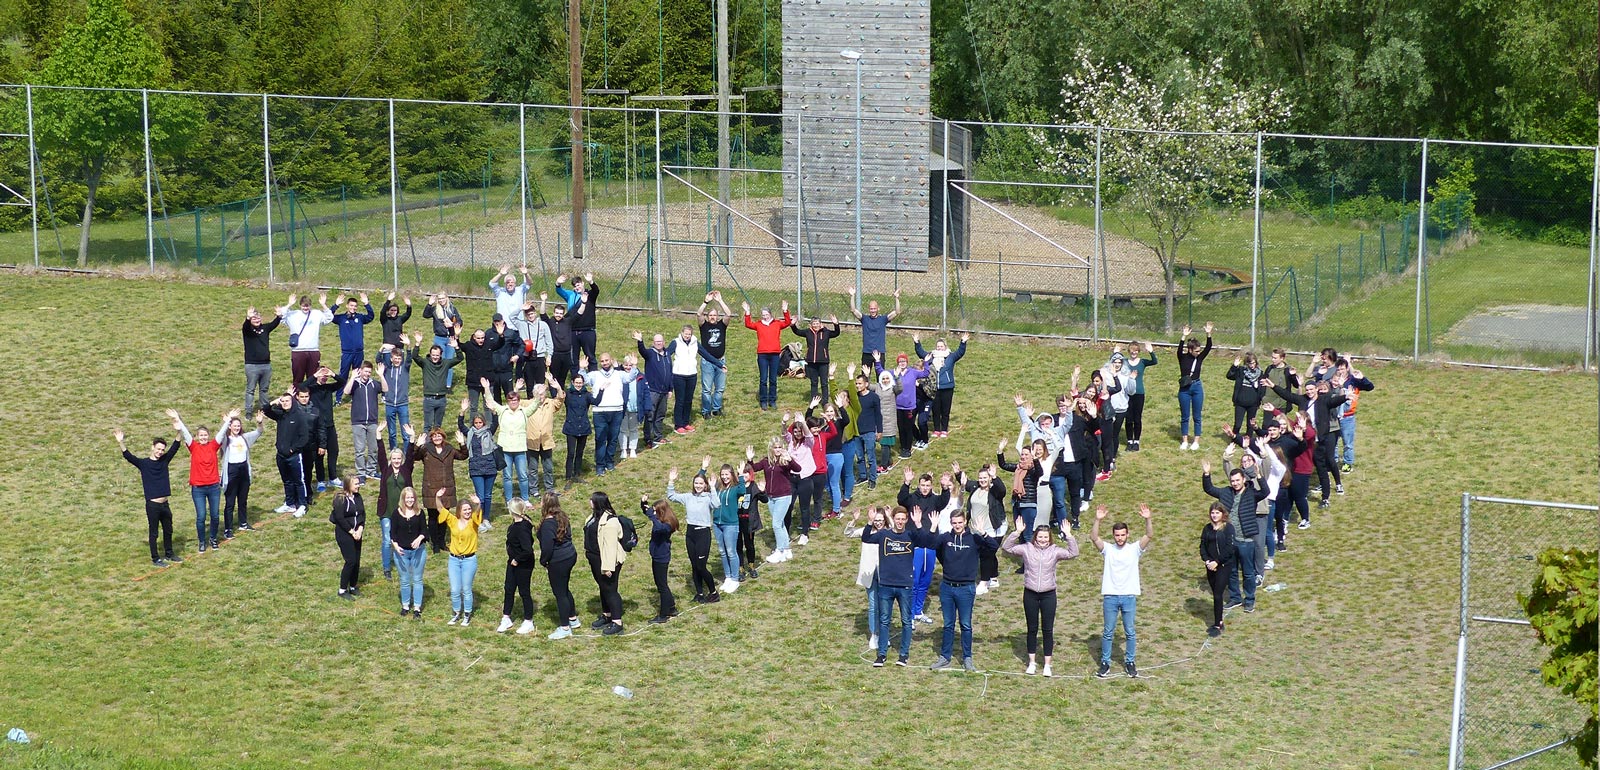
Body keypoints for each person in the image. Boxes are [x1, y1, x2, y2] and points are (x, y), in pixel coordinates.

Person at [907, 506, 1000, 673]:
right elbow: (928, 543)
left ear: (965, 522)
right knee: (948, 625)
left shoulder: (974, 539)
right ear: (950, 523)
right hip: (948, 588)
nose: (957, 525)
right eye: (954, 523)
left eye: (960, 522)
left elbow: (993, 547)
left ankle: (967, 658)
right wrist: (926, 525)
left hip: (966, 589)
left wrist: (982, 532)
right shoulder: (945, 538)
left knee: (965, 625)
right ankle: (945, 657)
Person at [1000, 518, 1080, 677]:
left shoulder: (1055, 551)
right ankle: (1032, 662)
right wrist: (1017, 532)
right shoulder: (1027, 549)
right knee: (1032, 629)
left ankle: (1047, 665)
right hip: (1030, 593)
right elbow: (1007, 547)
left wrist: (1069, 535)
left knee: (1047, 630)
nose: (1042, 540)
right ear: (1035, 537)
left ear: (1049, 538)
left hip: (1048, 594)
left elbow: (1073, 553)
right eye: (1040, 537)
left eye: (1045, 537)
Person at [1089, 503, 1153, 678]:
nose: (1120, 538)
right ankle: (1105, 662)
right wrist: (1097, 520)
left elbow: (1149, 535)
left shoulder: (1134, 549)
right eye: (1117, 535)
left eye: (1122, 535)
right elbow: (1094, 538)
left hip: (1129, 597)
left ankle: (1130, 662)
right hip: (1110, 596)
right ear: (1113, 536)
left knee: (1130, 632)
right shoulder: (1108, 550)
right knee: (1108, 632)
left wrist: (1148, 519)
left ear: (1127, 534)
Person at [115, 427, 185, 566]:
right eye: (158, 449)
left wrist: (179, 430)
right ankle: (155, 558)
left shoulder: (164, 461)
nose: (160, 452)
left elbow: (175, 446)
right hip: (153, 505)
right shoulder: (144, 464)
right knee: (154, 532)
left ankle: (169, 553)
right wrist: (121, 442)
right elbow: (128, 456)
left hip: (165, 504)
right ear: (152, 447)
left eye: (162, 450)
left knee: (168, 530)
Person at [1201, 459, 1264, 613]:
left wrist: (1259, 476)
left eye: (1237, 480)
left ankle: (1249, 600)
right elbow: (1209, 488)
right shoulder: (1226, 492)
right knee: (1232, 571)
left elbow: (1265, 492)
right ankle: (1235, 597)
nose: (1235, 483)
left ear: (1243, 479)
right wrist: (1206, 473)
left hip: (1246, 540)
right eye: (1232, 481)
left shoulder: (1251, 493)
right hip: (1229, 541)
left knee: (1248, 572)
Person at [861, 506, 916, 667]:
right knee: (884, 621)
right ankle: (882, 654)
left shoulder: (911, 535)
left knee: (906, 621)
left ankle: (903, 655)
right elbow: (866, 538)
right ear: (892, 518)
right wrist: (870, 522)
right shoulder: (884, 534)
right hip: (885, 584)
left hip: (904, 585)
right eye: (897, 518)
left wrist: (919, 524)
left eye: (902, 519)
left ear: (906, 520)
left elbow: (929, 540)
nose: (900, 521)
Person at [898, 468, 952, 624]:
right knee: (914, 581)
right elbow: (901, 499)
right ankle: (909, 614)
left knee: (925, 580)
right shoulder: (912, 498)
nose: (925, 488)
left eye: (928, 485)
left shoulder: (935, 500)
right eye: (922, 485)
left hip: (931, 545)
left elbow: (944, 501)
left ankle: (918, 611)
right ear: (919, 485)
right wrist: (906, 482)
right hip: (915, 545)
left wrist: (945, 487)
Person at [167, 409, 223, 552]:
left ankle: (213, 538)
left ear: (208, 436)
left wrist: (228, 420)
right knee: (201, 516)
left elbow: (221, 434)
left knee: (215, 515)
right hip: (198, 488)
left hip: (214, 487)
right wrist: (178, 419)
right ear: (197, 437)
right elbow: (185, 433)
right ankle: (202, 542)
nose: (203, 437)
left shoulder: (213, 446)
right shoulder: (194, 447)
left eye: (205, 435)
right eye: (201, 435)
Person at [667, 464, 721, 603]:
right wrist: (671, 481)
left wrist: (713, 488)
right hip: (691, 533)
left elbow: (716, 504)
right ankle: (700, 593)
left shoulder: (709, 497)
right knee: (694, 565)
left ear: (705, 484)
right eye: (696, 483)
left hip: (703, 533)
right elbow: (671, 496)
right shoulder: (688, 497)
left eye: (701, 483)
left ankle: (713, 592)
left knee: (701, 566)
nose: (698, 486)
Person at [262, 387, 315, 518]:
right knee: (287, 481)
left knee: (298, 481)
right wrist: (275, 402)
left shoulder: (299, 416)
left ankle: (302, 505)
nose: (285, 403)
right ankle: (289, 503)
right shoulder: (280, 415)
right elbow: (265, 409)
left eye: (287, 401)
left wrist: (293, 449)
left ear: (292, 401)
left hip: (294, 456)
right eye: (283, 401)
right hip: (280, 455)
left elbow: (304, 437)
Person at [413, 427, 467, 553]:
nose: (437, 438)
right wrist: (417, 445)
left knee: (444, 516)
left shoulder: (449, 449)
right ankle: (435, 544)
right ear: (431, 438)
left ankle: (442, 542)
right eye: (434, 436)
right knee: (432, 517)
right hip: (431, 488)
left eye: (439, 435)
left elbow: (463, 456)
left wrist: (462, 443)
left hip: (446, 488)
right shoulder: (426, 449)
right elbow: (414, 457)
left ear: (443, 437)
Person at [376, 424, 417, 580]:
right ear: (390, 459)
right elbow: (380, 454)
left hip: (404, 510)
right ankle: (387, 568)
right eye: (394, 458)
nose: (397, 461)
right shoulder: (385, 470)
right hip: (387, 510)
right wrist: (378, 435)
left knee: (403, 539)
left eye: (399, 458)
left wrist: (412, 438)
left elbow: (411, 455)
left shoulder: (406, 470)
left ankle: (406, 564)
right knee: (387, 540)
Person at [748, 440, 799, 563]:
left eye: (779, 447)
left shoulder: (785, 461)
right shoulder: (766, 461)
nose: (777, 450)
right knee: (779, 523)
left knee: (776, 524)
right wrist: (750, 460)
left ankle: (780, 550)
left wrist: (790, 459)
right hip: (771, 497)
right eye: (775, 447)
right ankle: (786, 548)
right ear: (771, 449)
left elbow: (798, 469)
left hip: (783, 496)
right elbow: (754, 468)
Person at [583, 491, 627, 635]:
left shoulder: (610, 521)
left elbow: (610, 547)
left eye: (592, 500)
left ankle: (617, 622)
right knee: (603, 588)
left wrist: (608, 567)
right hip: (595, 558)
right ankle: (607, 615)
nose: (589, 501)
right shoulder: (594, 516)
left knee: (610, 590)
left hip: (607, 560)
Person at [438, 490, 483, 626]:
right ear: (459, 511)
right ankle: (457, 613)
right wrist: (438, 497)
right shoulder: (453, 521)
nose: (468, 512)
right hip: (454, 560)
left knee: (466, 588)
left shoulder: (473, 523)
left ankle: (467, 614)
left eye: (469, 509)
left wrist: (478, 504)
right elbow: (440, 509)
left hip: (469, 560)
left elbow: (477, 514)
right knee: (455, 589)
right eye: (465, 510)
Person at [480, 381, 530, 505]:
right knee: (507, 476)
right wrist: (486, 388)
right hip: (505, 448)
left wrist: (539, 395)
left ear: (519, 401)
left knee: (523, 475)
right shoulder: (502, 410)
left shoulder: (524, 411)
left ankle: (525, 499)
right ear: (507, 401)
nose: (513, 402)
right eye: (511, 400)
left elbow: (535, 405)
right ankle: (509, 500)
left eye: (515, 400)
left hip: (520, 448)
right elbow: (490, 401)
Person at [845, 506, 887, 651]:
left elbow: (900, 533)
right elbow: (848, 533)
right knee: (873, 605)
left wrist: (891, 520)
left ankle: (883, 635)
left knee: (884, 606)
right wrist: (854, 520)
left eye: (881, 520)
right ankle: (874, 634)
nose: (879, 523)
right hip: (869, 574)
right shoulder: (866, 531)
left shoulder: (889, 532)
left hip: (885, 575)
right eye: (876, 520)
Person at [539, 495, 581, 639]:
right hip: (570, 555)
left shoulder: (547, 524)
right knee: (564, 588)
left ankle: (565, 628)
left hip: (558, 560)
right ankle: (573, 619)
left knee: (560, 593)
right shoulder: (562, 517)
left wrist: (543, 561)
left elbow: (547, 547)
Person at [913, 332, 968, 439]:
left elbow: (960, 352)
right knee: (936, 410)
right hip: (934, 389)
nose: (939, 348)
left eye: (941, 346)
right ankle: (937, 429)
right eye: (938, 346)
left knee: (945, 410)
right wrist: (916, 342)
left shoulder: (951, 356)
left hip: (947, 388)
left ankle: (944, 429)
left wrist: (963, 342)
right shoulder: (931, 357)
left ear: (945, 347)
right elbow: (920, 352)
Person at [218, 409, 265, 536]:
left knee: (243, 500)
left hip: (243, 470)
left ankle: (243, 523)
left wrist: (260, 422)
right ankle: (228, 529)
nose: (237, 428)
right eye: (234, 426)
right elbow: (219, 436)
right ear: (230, 427)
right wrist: (227, 421)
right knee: (230, 502)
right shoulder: (226, 440)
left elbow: (259, 431)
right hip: (231, 472)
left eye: (238, 426)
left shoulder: (244, 438)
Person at [961, 465, 1008, 591]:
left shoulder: (994, 491)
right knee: (988, 554)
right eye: (980, 478)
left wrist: (994, 476)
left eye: (985, 478)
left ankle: (984, 582)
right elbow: (966, 483)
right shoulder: (976, 487)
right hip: (978, 528)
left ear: (989, 479)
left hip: (994, 528)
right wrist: (958, 473)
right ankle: (993, 577)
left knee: (987, 554)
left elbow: (1002, 490)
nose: (982, 480)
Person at [584, 352, 631, 476]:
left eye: (606, 360)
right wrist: (582, 368)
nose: (604, 363)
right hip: (600, 412)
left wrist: (635, 366)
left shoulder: (619, 374)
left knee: (613, 439)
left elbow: (630, 377)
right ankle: (600, 465)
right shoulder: (595, 375)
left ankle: (609, 462)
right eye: (602, 361)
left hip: (616, 411)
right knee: (600, 439)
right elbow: (583, 380)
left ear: (611, 360)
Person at [496, 498, 538, 635]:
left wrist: (517, 559)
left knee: (524, 591)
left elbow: (527, 550)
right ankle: (506, 617)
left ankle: (528, 621)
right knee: (509, 588)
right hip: (512, 561)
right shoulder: (517, 524)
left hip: (522, 564)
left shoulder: (522, 528)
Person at [741, 300, 793, 410]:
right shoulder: (759, 324)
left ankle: (772, 400)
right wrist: (747, 312)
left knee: (773, 379)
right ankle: (763, 400)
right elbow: (748, 324)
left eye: (766, 314)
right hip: (762, 355)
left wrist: (785, 310)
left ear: (770, 314)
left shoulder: (777, 323)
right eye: (763, 315)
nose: (764, 317)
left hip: (774, 355)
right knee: (763, 379)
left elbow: (788, 322)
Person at [410, 332, 463, 433]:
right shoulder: (425, 363)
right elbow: (415, 356)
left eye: (437, 355)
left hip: (441, 399)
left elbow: (460, 358)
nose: (435, 357)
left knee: (438, 427)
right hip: (429, 399)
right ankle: (426, 447)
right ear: (430, 354)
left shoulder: (446, 363)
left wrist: (456, 347)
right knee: (427, 426)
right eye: (433, 355)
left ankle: (437, 446)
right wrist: (417, 343)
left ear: (441, 355)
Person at [458, 399, 500, 526]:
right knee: (480, 497)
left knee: (488, 496)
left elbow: (495, 423)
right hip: (476, 468)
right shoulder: (470, 433)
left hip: (490, 467)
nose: (478, 425)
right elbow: (460, 425)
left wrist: (493, 410)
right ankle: (479, 519)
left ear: (483, 422)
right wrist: (462, 411)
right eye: (476, 423)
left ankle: (486, 518)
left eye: (480, 422)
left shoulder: (488, 432)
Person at [304, 366, 345, 494]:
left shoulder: (328, 387)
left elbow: (342, 382)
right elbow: (300, 387)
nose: (324, 377)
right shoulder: (311, 389)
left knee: (334, 451)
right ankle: (321, 480)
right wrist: (314, 376)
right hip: (317, 428)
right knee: (319, 455)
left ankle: (333, 477)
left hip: (330, 426)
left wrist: (333, 374)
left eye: (325, 375)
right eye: (322, 375)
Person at [389, 485, 428, 618]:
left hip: (418, 552)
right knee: (405, 580)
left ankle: (417, 608)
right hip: (402, 552)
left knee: (417, 579)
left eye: (412, 497)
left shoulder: (420, 513)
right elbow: (392, 533)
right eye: (408, 498)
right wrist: (395, 545)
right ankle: (405, 606)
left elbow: (424, 531)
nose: (410, 500)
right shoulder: (396, 513)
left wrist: (419, 538)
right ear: (403, 499)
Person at [640, 496, 680, 623]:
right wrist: (643, 504)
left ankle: (663, 615)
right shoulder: (660, 520)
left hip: (661, 557)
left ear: (661, 512)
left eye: (656, 512)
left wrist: (652, 515)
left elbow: (658, 528)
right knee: (662, 584)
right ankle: (672, 607)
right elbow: (648, 513)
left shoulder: (667, 525)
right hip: (658, 555)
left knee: (661, 586)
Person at [1199, 501, 1236, 637]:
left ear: (1222, 514)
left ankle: (1218, 623)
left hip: (1224, 566)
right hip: (1210, 566)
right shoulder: (1207, 528)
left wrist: (1217, 562)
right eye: (1212, 513)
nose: (1214, 515)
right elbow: (1203, 546)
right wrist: (1207, 560)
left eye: (1217, 513)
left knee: (1218, 594)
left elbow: (1230, 548)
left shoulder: (1228, 528)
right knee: (1215, 592)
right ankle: (1217, 619)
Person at [1094, 353, 1134, 478]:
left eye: (1119, 362)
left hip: (1120, 408)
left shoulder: (1126, 375)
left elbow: (1130, 391)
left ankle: (1112, 459)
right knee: (1106, 437)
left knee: (1114, 436)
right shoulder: (1104, 373)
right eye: (1115, 362)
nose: (1117, 364)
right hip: (1106, 410)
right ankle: (1105, 460)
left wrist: (1131, 380)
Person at [343, 361, 385, 481]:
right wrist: (352, 378)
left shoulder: (373, 384)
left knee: (373, 448)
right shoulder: (355, 384)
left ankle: (371, 471)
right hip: (358, 422)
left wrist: (381, 375)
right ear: (360, 371)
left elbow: (385, 388)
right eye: (365, 371)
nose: (367, 374)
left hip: (372, 421)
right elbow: (346, 392)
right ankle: (361, 473)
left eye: (369, 372)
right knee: (360, 450)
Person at [709, 461, 747, 594]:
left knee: (731, 551)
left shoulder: (736, 488)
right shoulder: (719, 489)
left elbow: (743, 491)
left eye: (727, 474)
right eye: (722, 474)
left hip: (730, 524)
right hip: (717, 523)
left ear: (731, 475)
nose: (724, 477)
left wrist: (741, 475)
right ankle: (728, 577)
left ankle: (735, 579)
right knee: (722, 551)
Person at [1332, 358, 1375, 472]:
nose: (1340, 371)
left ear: (1347, 368)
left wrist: (1362, 378)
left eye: (1342, 368)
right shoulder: (1333, 380)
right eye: (1338, 369)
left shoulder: (1353, 381)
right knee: (1333, 442)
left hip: (1348, 417)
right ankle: (1333, 462)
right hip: (1334, 416)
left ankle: (1347, 463)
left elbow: (1370, 387)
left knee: (1347, 442)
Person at [280, 293, 333, 386]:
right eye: (303, 306)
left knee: (313, 378)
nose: (305, 308)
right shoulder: (293, 314)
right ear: (300, 305)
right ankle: (296, 397)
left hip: (313, 350)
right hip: (298, 351)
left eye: (307, 306)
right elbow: (280, 315)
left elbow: (329, 318)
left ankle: (312, 398)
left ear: (310, 306)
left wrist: (324, 305)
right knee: (297, 378)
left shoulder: (316, 314)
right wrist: (289, 304)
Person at [1176, 322, 1213, 451]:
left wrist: (1208, 333)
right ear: (1190, 350)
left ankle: (1196, 440)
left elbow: (1209, 347)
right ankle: (1185, 440)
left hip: (1197, 386)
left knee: (1197, 415)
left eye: (1199, 350)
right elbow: (1179, 350)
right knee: (1185, 415)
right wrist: (1183, 336)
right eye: (1196, 351)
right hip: (1185, 389)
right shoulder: (1183, 357)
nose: (1199, 352)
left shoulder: (1200, 357)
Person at [331, 293, 375, 402]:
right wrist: (336, 305)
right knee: (343, 375)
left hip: (359, 352)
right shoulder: (341, 318)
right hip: (347, 352)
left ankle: (355, 396)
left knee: (358, 375)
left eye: (355, 306)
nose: (353, 308)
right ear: (347, 306)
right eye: (351, 305)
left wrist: (366, 304)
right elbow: (329, 316)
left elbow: (371, 316)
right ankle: (339, 398)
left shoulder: (360, 317)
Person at [524, 376, 562, 497]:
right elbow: (513, 401)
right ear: (534, 394)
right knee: (533, 468)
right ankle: (533, 489)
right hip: (532, 441)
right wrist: (516, 388)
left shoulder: (549, 403)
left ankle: (549, 488)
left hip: (546, 441)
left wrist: (558, 387)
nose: (541, 397)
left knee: (548, 467)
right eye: (539, 394)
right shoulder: (527, 404)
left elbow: (560, 400)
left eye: (543, 394)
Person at [329, 476, 366, 599]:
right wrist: (352, 532)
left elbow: (362, 514)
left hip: (357, 533)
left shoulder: (358, 497)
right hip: (345, 534)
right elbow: (340, 518)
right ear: (348, 485)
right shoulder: (340, 499)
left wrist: (360, 529)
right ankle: (342, 589)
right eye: (355, 484)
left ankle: (353, 586)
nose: (358, 485)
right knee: (350, 561)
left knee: (356, 561)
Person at [635, 332, 674, 448]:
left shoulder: (667, 354)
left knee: (660, 415)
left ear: (664, 342)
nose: (659, 343)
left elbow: (670, 372)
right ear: (653, 343)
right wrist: (640, 341)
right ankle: (648, 439)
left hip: (664, 391)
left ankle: (658, 437)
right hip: (652, 390)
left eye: (660, 341)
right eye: (656, 341)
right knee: (650, 415)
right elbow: (642, 351)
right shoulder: (650, 353)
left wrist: (670, 389)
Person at [560, 371, 598, 489]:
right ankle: (568, 476)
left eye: (580, 383)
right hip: (571, 428)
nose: (578, 385)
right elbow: (559, 397)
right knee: (571, 453)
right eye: (576, 383)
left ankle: (577, 474)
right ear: (572, 383)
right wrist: (555, 386)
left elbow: (596, 402)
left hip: (583, 427)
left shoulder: (587, 394)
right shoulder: (568, 394)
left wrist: (601, 390)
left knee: (579, 453)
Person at [791, 314, 841, 403]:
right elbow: (797, 332)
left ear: (820, 324)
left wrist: (836, 324)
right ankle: (814, 400)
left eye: (817, 323)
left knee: (824, 382)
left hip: (823, 361)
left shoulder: (826, 332)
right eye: (814, 323)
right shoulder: (808, 332)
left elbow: (836, 333)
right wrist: (793, 325)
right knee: (814, 382)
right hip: (811, 361)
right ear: (811, 325)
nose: (815, 325)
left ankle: (825, 401)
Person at [458, 326, 506, 418]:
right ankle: (473, 428)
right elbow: (458, 345)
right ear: (474, 337)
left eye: (482, 338)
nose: (481, 340)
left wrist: (501, 335)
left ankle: (488, 427)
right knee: (473, 407)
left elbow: (500, 344)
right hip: (473, 381)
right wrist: (456, 335)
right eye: (478, 338)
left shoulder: (489, 344)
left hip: (488, 380)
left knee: (488, 405)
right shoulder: (469, 345)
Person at [242, 305, 282, 415]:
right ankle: (249, 412)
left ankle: (265, 410)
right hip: (252, 366)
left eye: (258, 318)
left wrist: (279, 316)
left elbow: (274, 324)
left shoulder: (265, 328)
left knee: (264, 389)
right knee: (250, 390)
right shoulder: (248, 331)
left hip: (266, 365)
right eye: (254, 318)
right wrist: (248, 318)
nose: (256, 320)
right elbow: (245, 326)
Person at [697, 291, 732, 417]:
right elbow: (698, 314)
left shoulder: (722, 325)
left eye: (714, 315)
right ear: (707, 316)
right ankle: (706, 411)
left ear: (717, 317)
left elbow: (728, 314)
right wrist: (706, 302)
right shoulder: (704, 325)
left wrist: (720, 301)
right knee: (707, 389)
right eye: (710, 315)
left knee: (719, 388)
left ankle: (716, 408)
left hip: (721, 361)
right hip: (707, 362)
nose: (712, 317)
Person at [847, 286, 901, 366]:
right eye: (871, 309)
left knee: (880, 376)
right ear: (869, 309)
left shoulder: (883, 319)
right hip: (867, 352)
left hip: (879, 353)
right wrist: (852, 296)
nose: (873, 311)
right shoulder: (864, 319)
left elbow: (897, 312)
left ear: (878, 309)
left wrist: (896, 298)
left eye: (874, 309)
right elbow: (853, 310)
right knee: (865, 376)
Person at [887, 354, 929, 457]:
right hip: (898, 406)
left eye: (904, 361)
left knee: (908, 428)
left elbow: (925, 373)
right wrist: (878, 362)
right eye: (900, 361)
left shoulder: (913, 372)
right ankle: (903, 447)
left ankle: (908, 448)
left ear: (907, 362)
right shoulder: (894, 372)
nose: (902, 363)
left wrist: (926, 362)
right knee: (901, 428)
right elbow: (881, 372)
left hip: (910, 407)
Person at [556, 273, 600, 371]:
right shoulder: (571, 295)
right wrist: (558, 283)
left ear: (583, 283)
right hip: (572, 331)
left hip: (588, 331)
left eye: (578, 284)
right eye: (575, 286)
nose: (577, 287)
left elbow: (596, 290)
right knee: (573, 358)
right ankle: (575, 378)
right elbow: (559, 290)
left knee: (590, 356)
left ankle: (593, 377)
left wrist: (591, 281)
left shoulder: (590, 295)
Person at [422, 292, 463, 388]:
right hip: (439, 337)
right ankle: (439, 383)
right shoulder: (435, 309)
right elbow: (425, 315)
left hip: (451, 338)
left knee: (449, 361)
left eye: (443, 298)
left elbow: (460, 321)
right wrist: (429, 304)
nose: (441, 300)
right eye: (439, 299)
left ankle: (447, 385)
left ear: (447, 298)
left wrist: (452, 325)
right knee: (439, 360)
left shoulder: (452, 309)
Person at [513, 302, 553, 398]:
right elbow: (512, 317)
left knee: (540, 384)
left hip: (540, 357)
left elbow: (549, 342)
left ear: (535, 313)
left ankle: (541, 403)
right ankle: (531, 401)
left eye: (532, 313)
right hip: (527, 357)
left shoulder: (543, 325)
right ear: (525, 315)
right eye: (528, 314)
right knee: (529, 384)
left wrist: (549, 356)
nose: (530, 316)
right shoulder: (522, 324)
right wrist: (521, 308)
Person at [1122, 341, 1156, 452]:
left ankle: (1136, 441)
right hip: (1127, 393)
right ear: (1129, 351)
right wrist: (1114, 353)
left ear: (1138, 351)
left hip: (1139, 393)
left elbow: (1154, 361)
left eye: (1136, 350)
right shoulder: (1124, 362)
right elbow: (1113, 363)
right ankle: (1129, 441)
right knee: (1128, 418)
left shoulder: (1142, 362)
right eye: (1132, 350)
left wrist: (1151, 351)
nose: (1134, 352)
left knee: (1137, 418)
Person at [538, 292, 577, 389]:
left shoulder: (568, 321)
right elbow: (542, 314)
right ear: (554, 312)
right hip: (555, 354)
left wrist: (584, 303)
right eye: (557, 313)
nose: (558, 315)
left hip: (567, 354)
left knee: (562, 378)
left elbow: (579, 314)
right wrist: (543, 301)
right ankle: (554, 395)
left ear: (563, 314)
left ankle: (560, 395)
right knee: (553, 376)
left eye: (560, 313)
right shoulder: (550, 322)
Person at [1226, 352, 1267, 435]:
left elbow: (1263, 389)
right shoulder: (1241, 371)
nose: (1252, 365)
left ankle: (1248, 441)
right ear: (1246, 363)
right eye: (1250, 363)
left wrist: (1262, 401)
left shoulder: (1260, 374)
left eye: (1253, 363)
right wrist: (1234, 366)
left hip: (1253, 403)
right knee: (1237, 424)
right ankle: (1234, 440)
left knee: (1250, 425)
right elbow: (1229, 376)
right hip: (1240, 403)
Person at [486, 313, 523, 404]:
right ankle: (496, 417)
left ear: (503, 321)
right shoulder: (489, 333)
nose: (497, 323)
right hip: (493, 370)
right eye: (495, 322)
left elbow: (522, 345)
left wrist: (517, 355)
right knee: (495, 397)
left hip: (506, 369)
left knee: (510, 395)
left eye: (499, 321)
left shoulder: (510, 333)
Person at [735, 466, 766, 579]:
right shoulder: (737, 486)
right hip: (737, 520)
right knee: (738, 545)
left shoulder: (753, 487)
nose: (744, 475)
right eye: (741, 473)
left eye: (746, 473)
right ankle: (740, 568)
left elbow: (765, 500)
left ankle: (751, 565)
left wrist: (762, 492)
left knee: (749, 544)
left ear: (750, 474)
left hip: (749, 522)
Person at [377, 348, 411, 443]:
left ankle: (406, 454)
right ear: (391, 359)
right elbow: (378, 360)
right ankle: (393, 453)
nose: (397, 360)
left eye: (399, 358)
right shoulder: (387, 369)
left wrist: (408, 347)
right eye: (395, 358)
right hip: (390, 404)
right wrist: (381, 349)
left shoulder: (405, 368)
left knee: (406, 433)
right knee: (392, 433)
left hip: (402, 404)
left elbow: (409, 359)